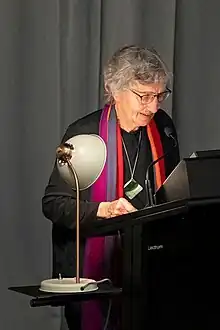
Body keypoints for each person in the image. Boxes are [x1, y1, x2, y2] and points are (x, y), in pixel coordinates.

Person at [42, 44, 180, 330]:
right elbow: (54, 203)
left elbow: (171, 191)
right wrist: (104, 209)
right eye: (144, 96)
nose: (153, 107)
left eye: (159, 96)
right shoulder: (83, 134)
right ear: (115, 91)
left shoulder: (163, 127)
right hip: (92, 277)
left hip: (147, 270)